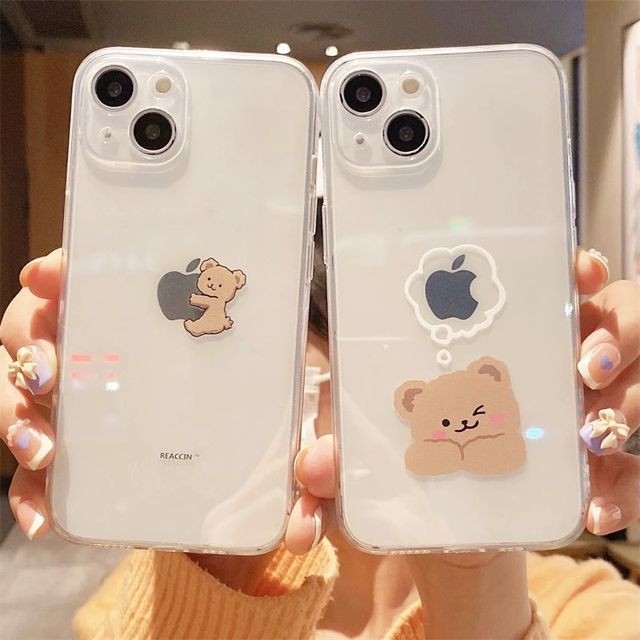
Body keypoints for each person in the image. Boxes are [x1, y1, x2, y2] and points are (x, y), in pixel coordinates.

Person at [1, 241, 639, 639]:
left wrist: (476, 586)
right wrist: (222, 569)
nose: (274, 434)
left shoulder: (585, 608)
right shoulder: (150, 598)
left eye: (303, 392)